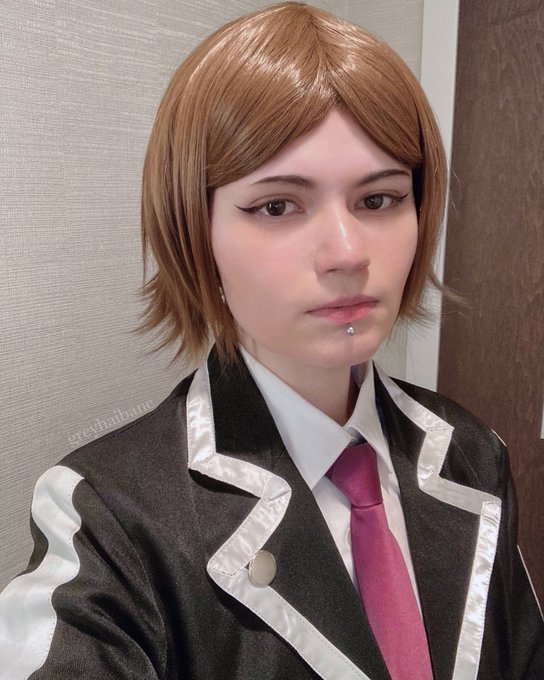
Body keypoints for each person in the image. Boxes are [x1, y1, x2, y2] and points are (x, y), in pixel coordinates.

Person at [0, 3, 542, 679]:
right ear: (196, 231)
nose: (347, 253)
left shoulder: (471, 452)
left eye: (379, 200)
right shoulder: (107, 515)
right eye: (277, 205)